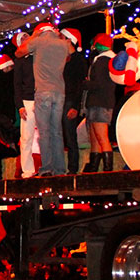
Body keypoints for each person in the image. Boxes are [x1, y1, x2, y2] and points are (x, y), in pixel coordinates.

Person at [15, 21, 73, 176]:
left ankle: (46, 168)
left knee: (44, 131)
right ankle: (60, 169)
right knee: (57, 132)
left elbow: (19, 53)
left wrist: (33, 36)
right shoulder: (63, 43)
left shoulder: (38, 41)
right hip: (59, 92)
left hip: (43, 92)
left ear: (40, 31)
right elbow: (71, 52)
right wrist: (60, 37)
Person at [83, 33, 117, 172]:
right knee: (96, 138)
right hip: (101, 101)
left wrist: (85, 83)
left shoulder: (102, 61)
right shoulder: (108, 60)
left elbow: (99, 84)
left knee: (101, 138)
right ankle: (94, 166)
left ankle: (107, 169)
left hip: (99, 102)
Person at [12, 31, 39, 178]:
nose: (26, 39)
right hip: (28, 100)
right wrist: (20, 105)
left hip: (43, 98)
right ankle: (28, 170)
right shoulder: (20, 61)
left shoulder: (41, 55)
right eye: (22, 38)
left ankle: (48, 167)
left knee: (46, 134)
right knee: (27, 137)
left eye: (27, 36)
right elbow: (17, 85)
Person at [60, 29, 87, 174]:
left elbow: (80, 84)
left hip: (71, 101)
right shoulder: (61, 58)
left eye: (62, 38)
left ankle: (73, 168)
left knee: (70, 136)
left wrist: (76, 106)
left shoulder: (78, 59)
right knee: (61, 135)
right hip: (60, 100)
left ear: (69, 40)